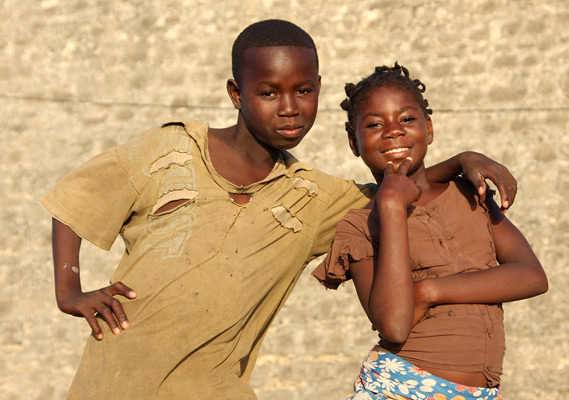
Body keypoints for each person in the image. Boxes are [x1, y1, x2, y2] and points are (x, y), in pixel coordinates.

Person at [41, 20, 518, 399]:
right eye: (268, 93)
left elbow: (398, 191)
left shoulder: (316, 197)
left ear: (317, 90)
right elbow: (80, 196)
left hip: (217, 390)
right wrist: (69, 287)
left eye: (303, 92)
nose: (289, 108)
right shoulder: (169, 151)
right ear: (237, 94)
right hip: (113, 382)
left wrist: (461, 161)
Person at [312, 63, 548, 400]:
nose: (393, 131)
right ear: (354, 142)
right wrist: (391, 208)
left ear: (430, 129)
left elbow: (532, 276)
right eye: (375, 124)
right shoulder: (360, 225)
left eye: (407, 119)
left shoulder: (469, 193)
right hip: (399, 387)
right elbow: (393, 325)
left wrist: (428, 291)